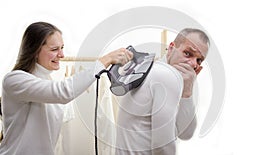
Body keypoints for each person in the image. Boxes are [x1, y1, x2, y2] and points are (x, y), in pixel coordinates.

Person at [0, 21, 133, 155]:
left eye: (62, 48)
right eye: (54, 49)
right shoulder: (14, 80)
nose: (62, 55)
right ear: (35, 50)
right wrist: (106, 59)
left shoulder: (48, 81)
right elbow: (62, 92)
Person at [115, 28, 210, 154]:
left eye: (199, 60)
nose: (193, 64)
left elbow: (186, 133)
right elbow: (162, 146)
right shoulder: (165, 75)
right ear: (171, 48)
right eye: (187, 53)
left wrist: (187, 90)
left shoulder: (153, 70)